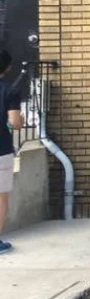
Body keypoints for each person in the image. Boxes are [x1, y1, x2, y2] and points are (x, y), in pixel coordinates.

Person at [0, 50, 25, 255]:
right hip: (1, 150)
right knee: (1, 199)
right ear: (8, 67)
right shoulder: (10, 91)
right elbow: (14, 122)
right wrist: (20, 120)